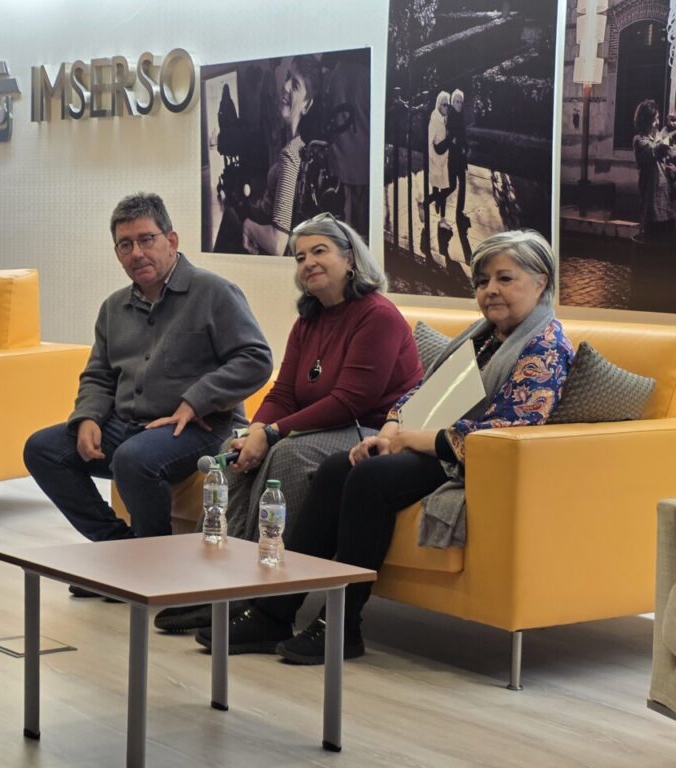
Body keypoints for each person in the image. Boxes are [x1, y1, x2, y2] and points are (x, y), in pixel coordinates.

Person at [194, 229, 574, 662]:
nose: (490, 290)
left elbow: (507, 427)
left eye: (505, 279)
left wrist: (411, 439)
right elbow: (422, 392)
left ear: (540, 282)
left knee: (369, 478)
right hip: (424, 441)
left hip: (467, 460)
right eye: (482, 281)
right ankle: (273, 611)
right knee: (337, 468)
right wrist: (390, 430)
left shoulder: (546, 347)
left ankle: (342, 626)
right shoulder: (484, 336)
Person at [155, 212, 423, 632]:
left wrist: (274, 433)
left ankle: (262, 595)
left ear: (350, 258)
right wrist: (253, 431)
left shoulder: (378, 315)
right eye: (300, 257)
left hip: (370, 431)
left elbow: (350, 401)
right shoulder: (308, 320)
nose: (308, 263)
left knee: (289, 456)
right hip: (322, 426)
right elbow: (283, 392)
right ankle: (220, 584)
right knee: (235, 454)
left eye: (319, 251)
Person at [23, 193, 272, 592]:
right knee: (42, 449)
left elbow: (256, 359)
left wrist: (194, 400)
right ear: (117, 253)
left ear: (171, 240)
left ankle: (153, 572)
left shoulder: (214, 292)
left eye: (146, 239)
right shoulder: (113, 308)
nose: (136, 252)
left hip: (202, 427)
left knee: (135, 459)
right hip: (127, 424)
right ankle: (121, 553)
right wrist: (87, 416)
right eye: (125, 244)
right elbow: (99, 375)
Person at [242, 55, 322, 256]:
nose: (285, 86)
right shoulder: (301, 144)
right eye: (287, 77)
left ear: (307, 105)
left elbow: (278, 243)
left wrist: (248, 226)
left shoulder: (290, 156)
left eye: (295, 85)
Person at [633, 99, 675, 241]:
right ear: (646, 121)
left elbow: (670, 153)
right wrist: (672, 135)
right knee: (653, 241)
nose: (657, 123)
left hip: (668, 202)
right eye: (655, 119)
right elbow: (655, 151)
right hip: (653, 204)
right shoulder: (640, 141)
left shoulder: (659, 138)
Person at [421, 91, 452, 232]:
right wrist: (434, 161)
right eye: (444, 105)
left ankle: (441, 218)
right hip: (437, 163)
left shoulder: (443, 118)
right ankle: (426, 206)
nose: (447, 107)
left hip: (443, 161)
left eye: (448, 105)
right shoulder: (434, 121)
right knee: (442, 190)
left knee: (441, 191)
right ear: (439, 104)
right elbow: (429, 143)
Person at [447, 89, 469, 227]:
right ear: (452, 102)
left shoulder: (460, 115)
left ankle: (459, 211)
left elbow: (462, 135)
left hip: (460, 156)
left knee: (461, 183)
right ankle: (431, 200)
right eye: (457, 101)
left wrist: (464, 146)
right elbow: (451, 137)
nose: (459, 104)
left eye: (461, 102)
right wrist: (458, 143)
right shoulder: (451, 116)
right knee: (452, 186)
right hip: (454, 157)